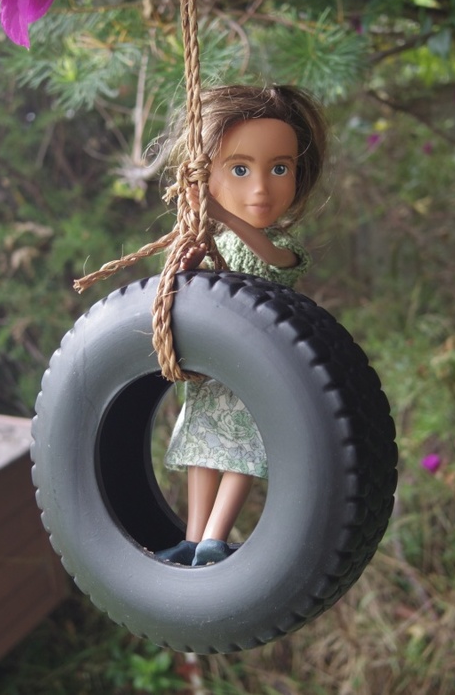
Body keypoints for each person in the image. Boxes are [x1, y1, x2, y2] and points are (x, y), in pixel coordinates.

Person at [155, 84, 328, 567]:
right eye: (239, 169)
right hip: (213, 377)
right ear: (205, 176)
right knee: (202, 453)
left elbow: (271, 257)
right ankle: (193, 538)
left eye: (280, 169)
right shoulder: (217, 240)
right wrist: (188, 264)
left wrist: (223, 215)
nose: (261, 189)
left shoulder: (278, 247)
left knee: (238, 456)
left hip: (256, 374)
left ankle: (215, 537)